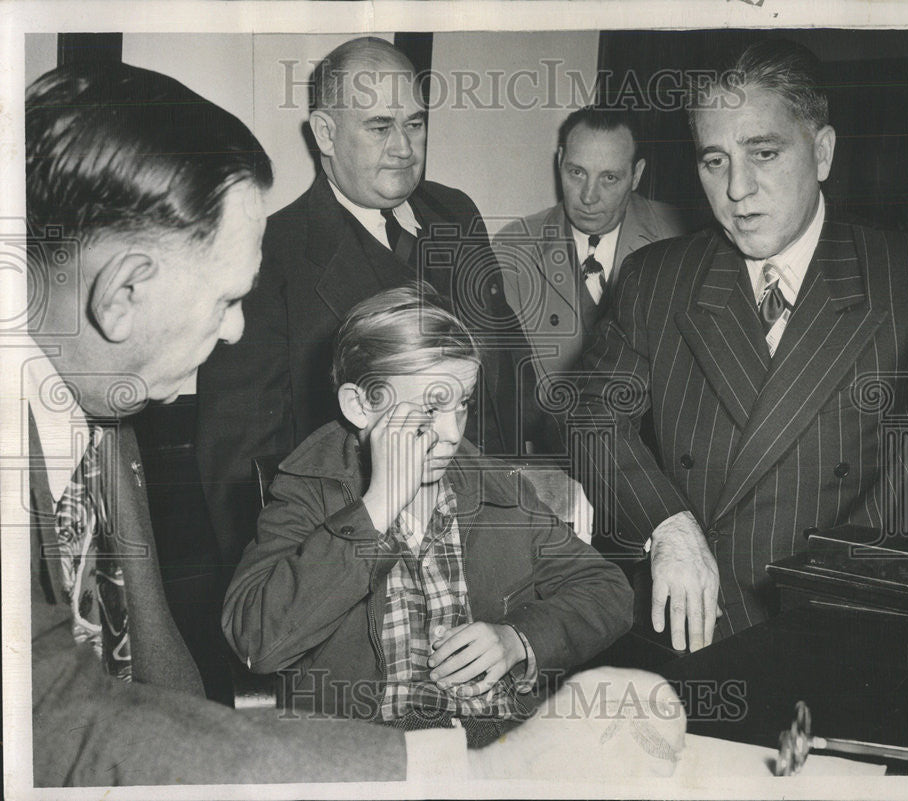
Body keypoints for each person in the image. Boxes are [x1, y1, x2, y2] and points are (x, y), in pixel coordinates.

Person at [20, 60, 682, 787]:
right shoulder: (281, 467)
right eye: (223, 301)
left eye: (415, 122)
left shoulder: (106, 422)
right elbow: (67, 720)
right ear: (122, 296)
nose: (235, 330)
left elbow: (154, 677)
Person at [569, 39, 908, 652]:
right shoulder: (657, 278)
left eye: (763, 152)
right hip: (689, 620)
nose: (737, 189)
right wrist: (666, 524)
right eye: (714, 161)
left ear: (822, 152)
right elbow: (588, 414)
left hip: (847, 627)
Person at [196, 36, 590, 572]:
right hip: (369, 559)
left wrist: (546, 471)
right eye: (380, 127)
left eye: (415, 123)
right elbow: (240, 465)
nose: (404, 147)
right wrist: (284, 593)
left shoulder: (455, 214)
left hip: (499, 529)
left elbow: (509, 367)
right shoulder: (273, 255)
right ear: (325, 134)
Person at [222, 285, 634, 746]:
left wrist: (518, 639)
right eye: (430, 409)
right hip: (368, 752)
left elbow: (608, 590)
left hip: (494, 737)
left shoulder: (494, 487)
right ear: (360, 406)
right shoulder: (307, 490)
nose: (452, 433)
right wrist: (375, 508)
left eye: (463, 404)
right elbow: (256, 641)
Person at [495, 106, 685, 408]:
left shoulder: (681, 242)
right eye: (577, 172)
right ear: (559, 162)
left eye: (609, 178)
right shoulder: (513, 249)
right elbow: (506, 389)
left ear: (636, 176)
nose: (588, 196)